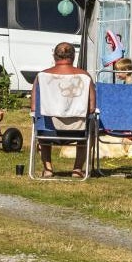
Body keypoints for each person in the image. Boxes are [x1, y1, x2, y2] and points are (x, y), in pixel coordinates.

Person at [31, 42, 95, 178]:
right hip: (78, 131)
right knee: (91, 122)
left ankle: (48, 169)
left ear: (55, 56)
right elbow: (91, 107)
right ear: (73, 57)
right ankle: (77, 169)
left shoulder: (42, 77)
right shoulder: (84, 76)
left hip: (48, 131)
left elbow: (34, 107)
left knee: (41, 118)